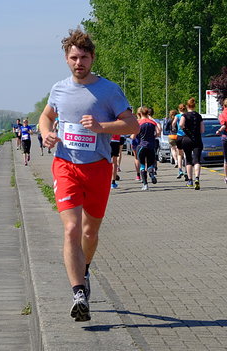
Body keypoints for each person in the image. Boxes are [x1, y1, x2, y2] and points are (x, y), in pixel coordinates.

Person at [38, 28, 139, 322]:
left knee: (89, 232)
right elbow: (46, 116)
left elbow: (132, 125)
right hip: (65, 164)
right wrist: (45, 134)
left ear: (92, 58)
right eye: (73, 58)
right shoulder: (58, 89)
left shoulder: (109, 90)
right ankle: (78, 292)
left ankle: (84, 268)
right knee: (71, 229)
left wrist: (101, 127)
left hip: (97, 167)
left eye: (83, 57)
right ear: (66, 60)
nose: (78, 62)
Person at [179, 98, 204, 190]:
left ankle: (190, 180)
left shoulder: (184, 115)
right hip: (197, 139)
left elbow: (181, 125)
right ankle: (197, 178)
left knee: (188, 159)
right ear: (194, 106)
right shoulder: (199, 116)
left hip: (187, 139)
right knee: (197, 160)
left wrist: (186, 130)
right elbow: (202, 130)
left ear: (187, 106)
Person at [135, 106, 160, 190]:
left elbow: (133, 135)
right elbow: (158, 132)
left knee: (142, 165)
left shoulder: (139, 123)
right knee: (150, 164)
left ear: (140, 113)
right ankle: (151, 173)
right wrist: (154, 136)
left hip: (142, 146)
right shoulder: (153, 122)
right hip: (151, 146)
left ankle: (145, 185)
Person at [172, 104, 187, 180]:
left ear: (179, 109)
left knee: (179, 154)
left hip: (179, 136)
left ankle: (180, 170)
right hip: (187, 136)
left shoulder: (177, 116)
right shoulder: (187, 115)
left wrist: (174, 128)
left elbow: (173, 123)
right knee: (186, 154)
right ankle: (187, 170)